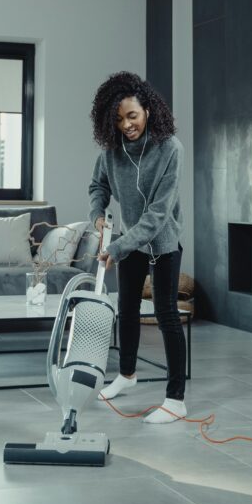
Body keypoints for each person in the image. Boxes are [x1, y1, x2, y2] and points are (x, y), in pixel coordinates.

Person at [88, 70, 186, 424]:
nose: (127, 124)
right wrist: (97, 213)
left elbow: (159, 213)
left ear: (147, 109)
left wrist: (116, 248)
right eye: (118, 119)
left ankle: (176, 400)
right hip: (129, 241)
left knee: (166, 316)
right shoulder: (111, 151)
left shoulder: (170, 149)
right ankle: (127, 376)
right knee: (126, 311)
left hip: (162, 242)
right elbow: (98, 186)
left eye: (132, 115)